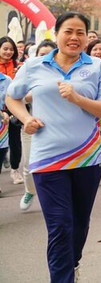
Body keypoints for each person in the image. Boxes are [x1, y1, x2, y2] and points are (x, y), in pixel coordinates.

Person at [5, 11, 101, 282]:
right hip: (47, 159)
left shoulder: (97, 67)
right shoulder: (34, 65)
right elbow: (12, 97)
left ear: (87, 37)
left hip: (88, 158)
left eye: (80, 32)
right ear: (57, 35)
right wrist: (26, 118)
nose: (74, 37)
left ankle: (72, 263)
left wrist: (77, 98)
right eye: (68, 31)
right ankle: (62, 277)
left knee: (78, 223)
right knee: (59, 226)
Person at [18, 40, 57, 211]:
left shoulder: (62, 74)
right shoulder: (30, 71)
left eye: (49, 54)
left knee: (53, 165)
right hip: (32, 127)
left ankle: (51, 197)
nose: (46, 57)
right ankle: (29, 190)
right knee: (28, 163)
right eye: (42, 54)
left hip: (55, 128)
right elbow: (17, 97)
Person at [0, 36, 22, 186]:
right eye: (5, 48)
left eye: (11, 49)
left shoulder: (19, 66)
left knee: (15, 141)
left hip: (14, 110)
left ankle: (15, 169)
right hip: (1, 111)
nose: (8, 52)